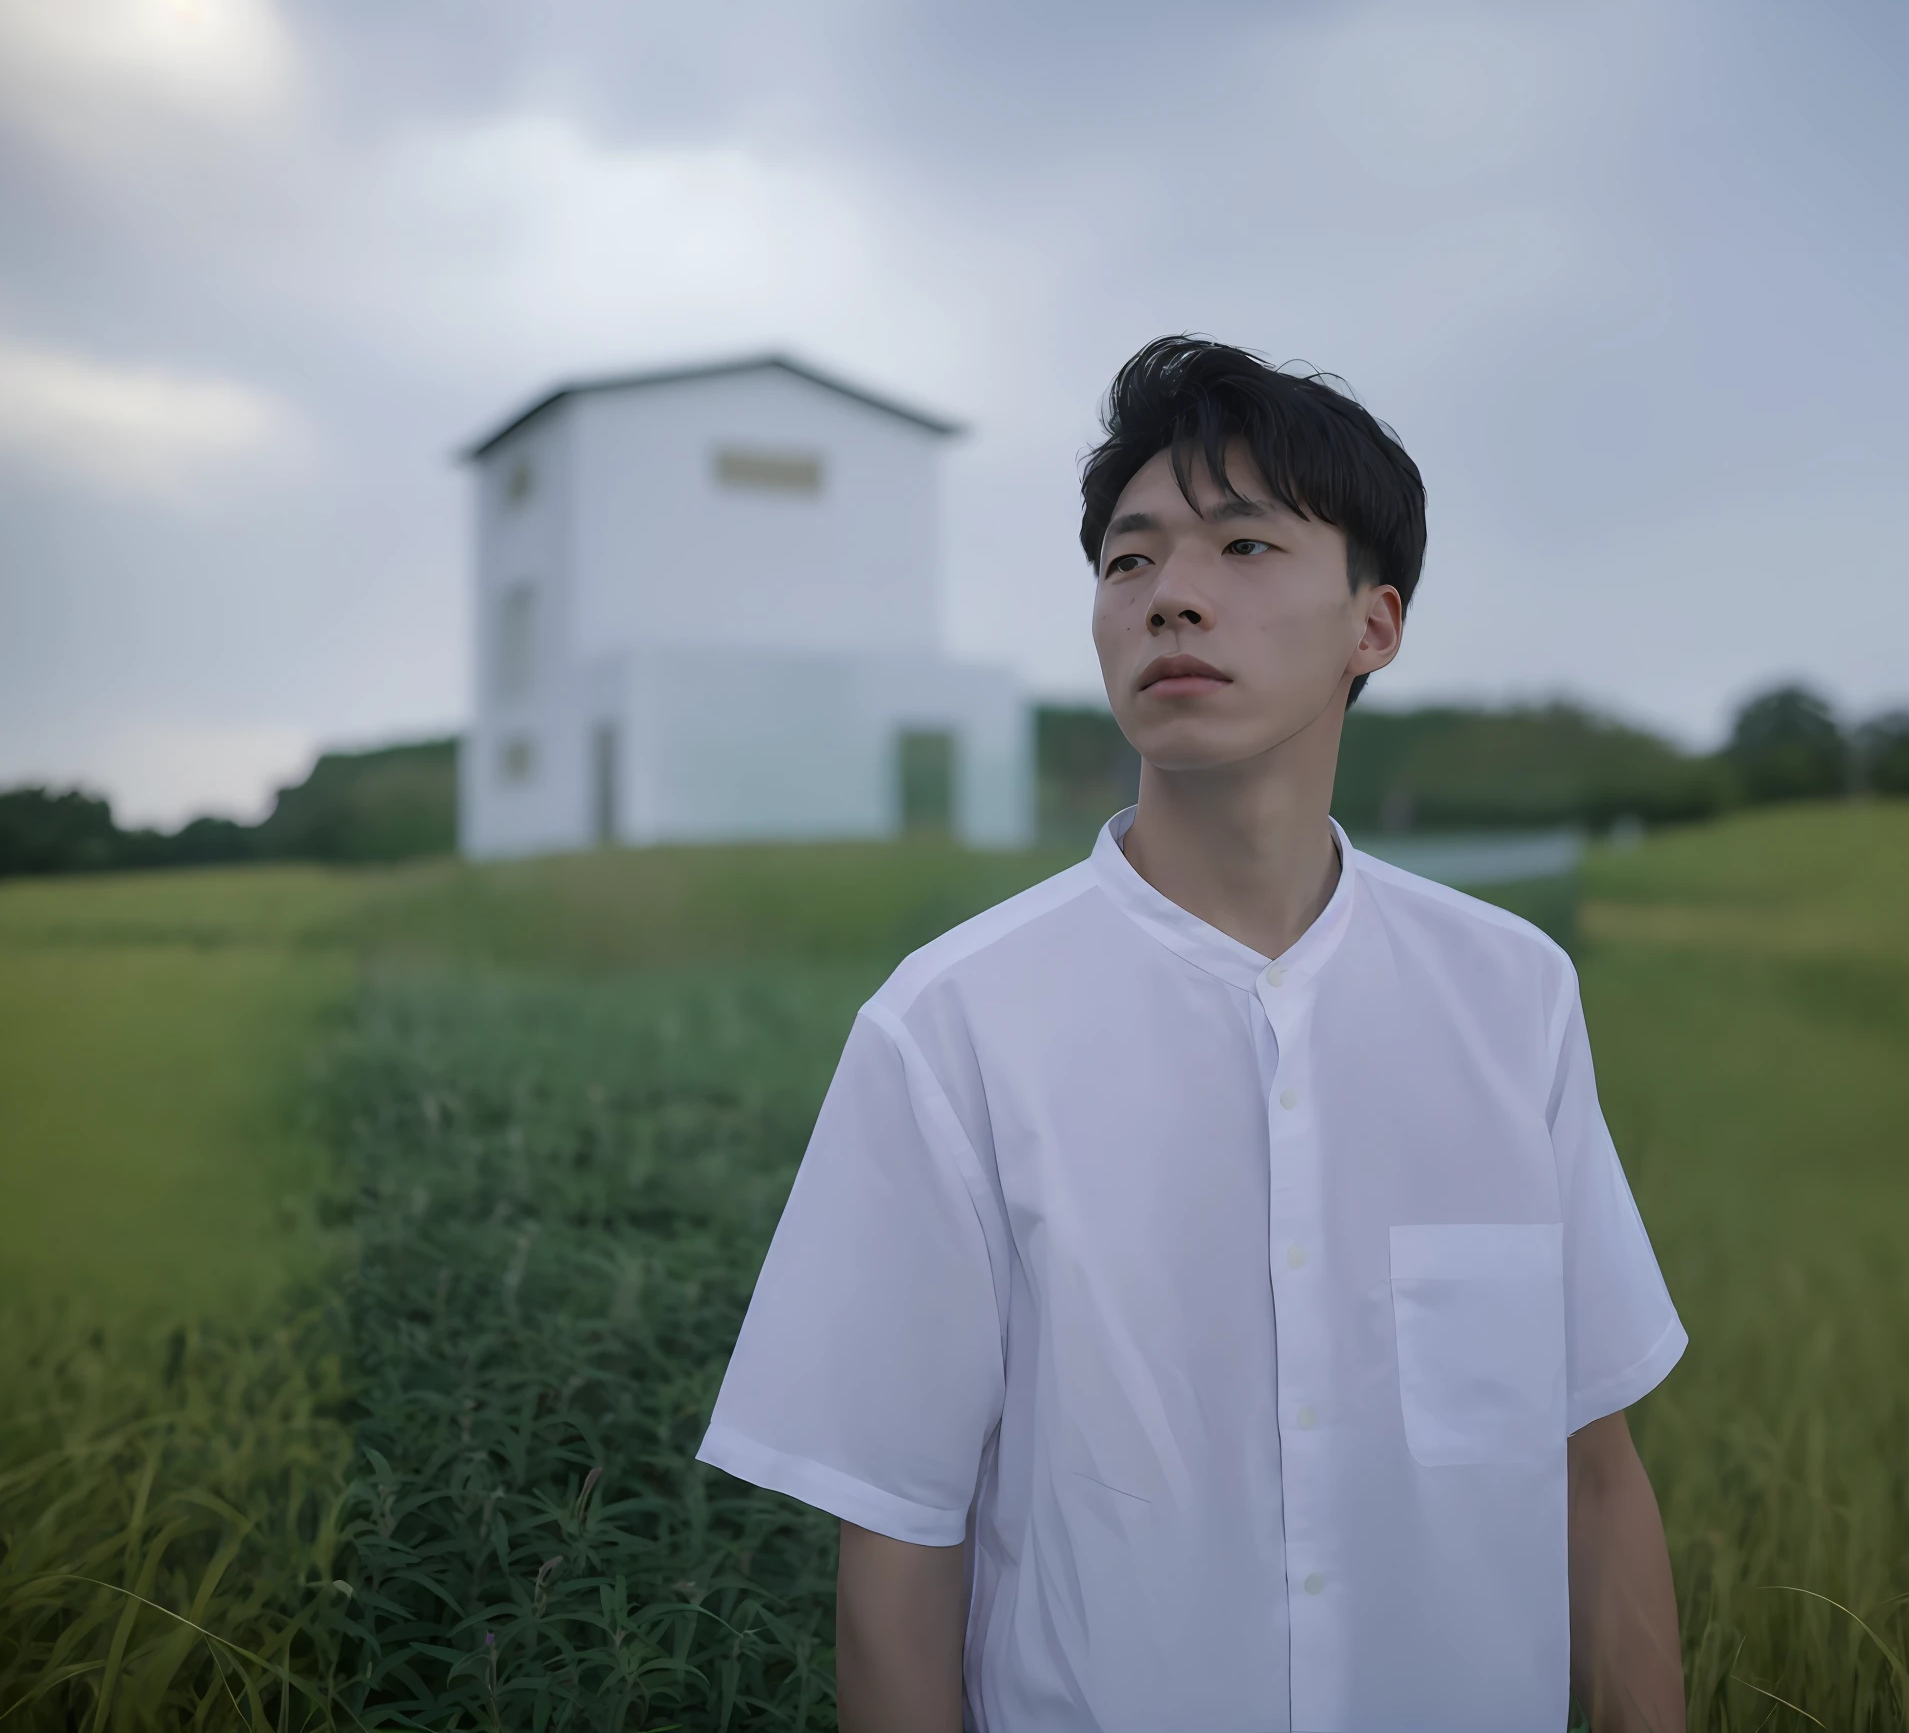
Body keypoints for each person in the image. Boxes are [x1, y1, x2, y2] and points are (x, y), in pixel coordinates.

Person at [697, 336, 1687, 1733]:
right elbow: (900, 1547)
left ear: (1375, 624)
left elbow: (1590, 1469)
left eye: (1244, 547)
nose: (1171, 598)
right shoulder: (954, 1026)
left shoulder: (1511, 996)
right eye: (1130, 561)